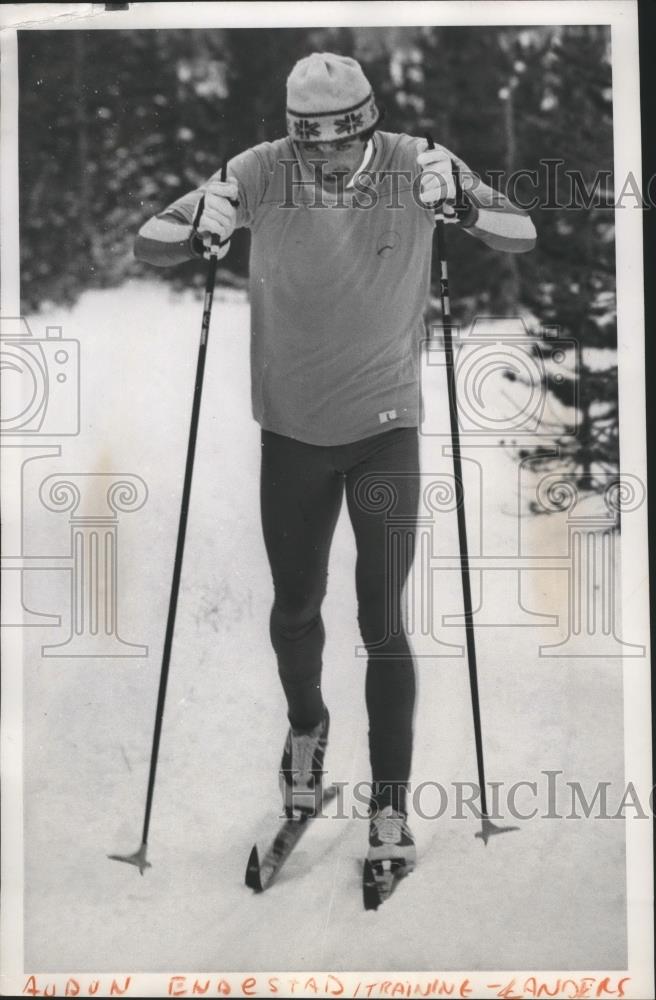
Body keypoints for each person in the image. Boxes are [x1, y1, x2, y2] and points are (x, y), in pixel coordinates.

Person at [134, 52, 536, 874]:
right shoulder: (256, 170)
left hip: (386, 428)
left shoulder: (418, 162)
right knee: (294, 610)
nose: (327, 162)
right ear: (291, 138)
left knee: (381, 619)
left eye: (341, 146)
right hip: (290, 431)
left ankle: (390, 807)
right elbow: (150, 242)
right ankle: (307, 731)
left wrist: (460, 206)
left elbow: (520, 229)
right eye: (310, 147)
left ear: (367, 126)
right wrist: (199, 221)